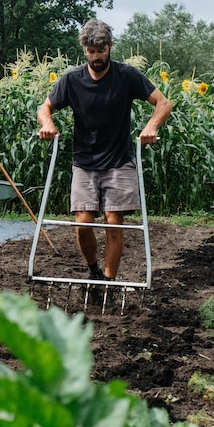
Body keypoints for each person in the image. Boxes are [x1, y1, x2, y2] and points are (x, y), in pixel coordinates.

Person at [37, 18, 172, 281]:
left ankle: (109, 280)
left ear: (110, 46)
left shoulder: (127, 76)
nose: (96, 57)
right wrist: (48, 124)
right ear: (84, 49)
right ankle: (94, 272)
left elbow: (163, 103)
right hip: (84, 161)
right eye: (91, 51)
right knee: (82, 223)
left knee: (113, 220)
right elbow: (45, 107)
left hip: (119, 160)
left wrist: (152, 126)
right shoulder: (72, 79)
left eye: (101, 51)